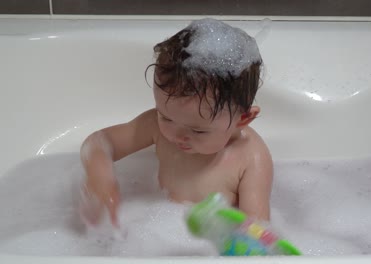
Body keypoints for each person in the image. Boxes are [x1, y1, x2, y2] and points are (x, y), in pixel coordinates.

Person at [79, 18, 273, 228]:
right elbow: (99, 142)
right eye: (166, 117)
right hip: (151, 230)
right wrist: (100, 175)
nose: (177, 135)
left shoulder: (251, 158)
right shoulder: (156, 126)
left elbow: (257, 232)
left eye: (198, 130)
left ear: (243, 119)